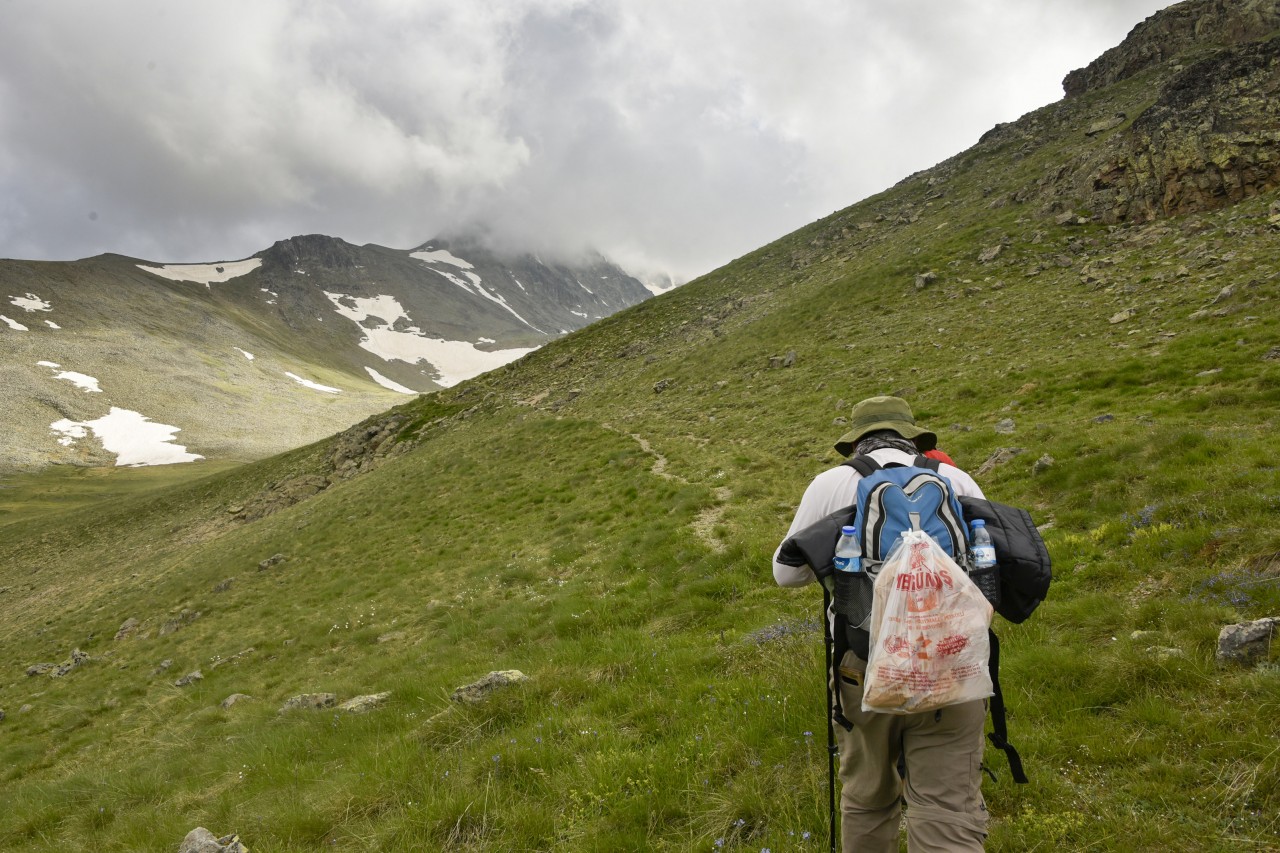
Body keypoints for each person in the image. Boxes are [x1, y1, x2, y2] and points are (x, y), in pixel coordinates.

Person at [772, 395, 990, 852]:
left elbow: (786, 572)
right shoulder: (953, 477)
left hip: (864, 661)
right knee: (947, 805)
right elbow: (992, 561)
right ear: (912, 434)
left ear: (855, 442)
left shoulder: (831, 483)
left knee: (869, 799)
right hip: (952, 661)